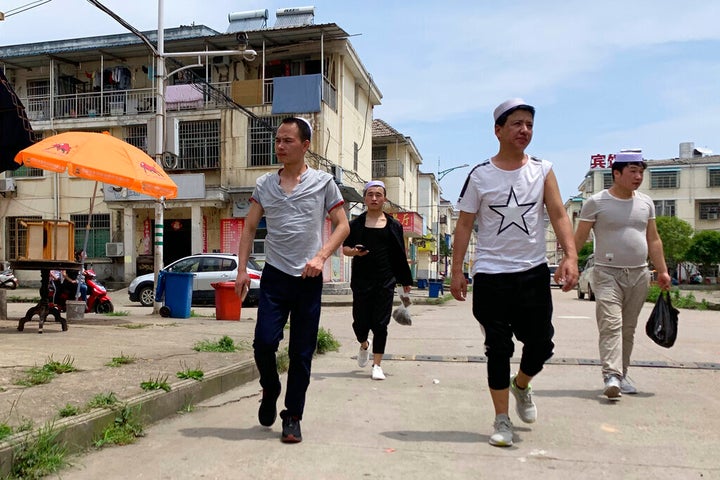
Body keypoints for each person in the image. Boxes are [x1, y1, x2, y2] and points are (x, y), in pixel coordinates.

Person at [449, 98, 578, 447]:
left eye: (530, 125)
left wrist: (570, 255)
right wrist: (457, 270)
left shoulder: (542, 170)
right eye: (517, 124)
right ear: (498, 130)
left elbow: (559, 214)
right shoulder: (480, 175)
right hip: (491, 275)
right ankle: (501, 419)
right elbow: (463, 224)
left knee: (541, 344)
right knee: (498, 348)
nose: (525, 131)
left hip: (532, 272)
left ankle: (521, 385)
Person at [234, 117, 350, 443]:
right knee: (264, 343)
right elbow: (249, 227)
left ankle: (293, 415)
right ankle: (270, 388)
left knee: (301, 353)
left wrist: (321, 256)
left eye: (288, 140)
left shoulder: (324, 182)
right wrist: (242, 270)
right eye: (278, 140)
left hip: (308, 279)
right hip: (274, 276)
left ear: (305, 145)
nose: (280, 146)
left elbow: (342, 226)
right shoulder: (264, 185)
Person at [573, 150, 671, 400]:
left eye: (641, 172)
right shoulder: (596, 202)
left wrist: (662, 270)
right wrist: (571, 263)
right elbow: (581, 236)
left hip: (639, 273)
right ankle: (611, 375)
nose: (638, 177)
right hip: (606, 273)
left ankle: (622, 374)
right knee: (611, 324)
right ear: (616, 174)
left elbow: (653, 238)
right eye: (632, 171)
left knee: (628, 328)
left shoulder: (646, 202)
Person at [342, 180, 413, 381]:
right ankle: (364, 344)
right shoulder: (355, 224)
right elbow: (345, 249)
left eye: (378, 194)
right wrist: (355, 252)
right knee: (360, 323)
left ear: (385, 198)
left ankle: (377, 365)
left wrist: (404, 280)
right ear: (364, 198)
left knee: (380, 324)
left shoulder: (394, 225)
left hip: (385, 281)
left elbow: (399, 253)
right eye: (370, 194)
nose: (374, 198)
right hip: (362, 281)